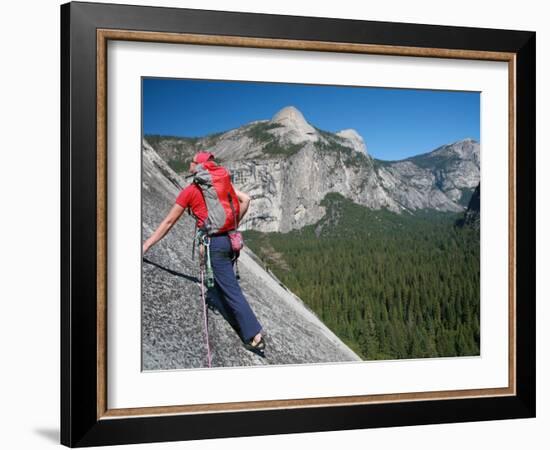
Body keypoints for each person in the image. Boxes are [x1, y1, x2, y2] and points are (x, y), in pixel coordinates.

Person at [142, 151, 266, 352]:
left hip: (214, 245)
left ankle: (254, 336)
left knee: (231, 290)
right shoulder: (220, 188)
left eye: (192, 162)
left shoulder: (190, 191)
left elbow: (169, 222)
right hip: (229, 240)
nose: (189, 164)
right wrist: (231, 225)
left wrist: (146, 245)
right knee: (225, 284)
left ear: (197, 167)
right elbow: (246, 199)